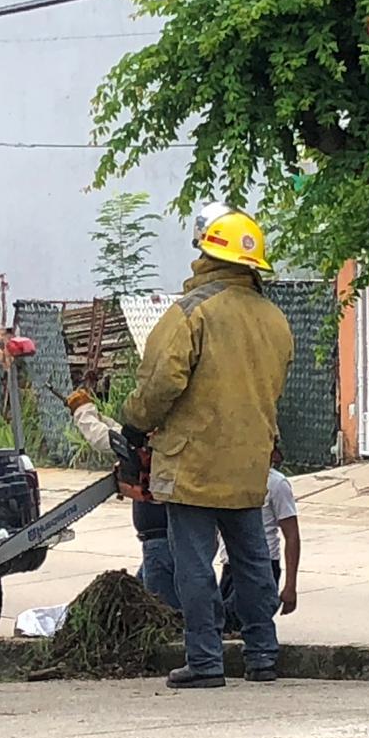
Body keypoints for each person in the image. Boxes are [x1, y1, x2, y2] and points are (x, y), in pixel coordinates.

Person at [120, 201, 294, 689]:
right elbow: (271, 391)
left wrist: (134, 427)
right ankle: (262, 656)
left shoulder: (191, 313)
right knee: (253, 559)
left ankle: (205, 661)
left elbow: (160, 382)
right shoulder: (274, 319)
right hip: (248, 462)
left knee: (192, 564)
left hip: (192, 462)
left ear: (204, 253)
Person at [63, 388, 179, 612]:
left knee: (163, 611)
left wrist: (83, 412)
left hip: (161, 541)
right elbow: (121, 436)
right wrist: (92, 413)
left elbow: (107, 440)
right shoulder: (164, 438)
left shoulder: (159, 445)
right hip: (161, 539)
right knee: (138, 602)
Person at [217, 442, 300, 634]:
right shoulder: (229, 480)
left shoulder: (276, 484)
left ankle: (262, 657)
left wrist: (290, 586)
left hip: (263, 565)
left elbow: (292, 536)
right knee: (224, 628)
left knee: (240, 625)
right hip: (230, 566)